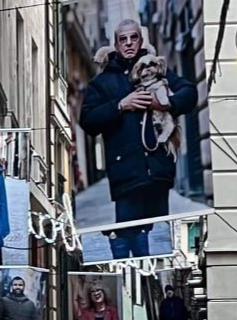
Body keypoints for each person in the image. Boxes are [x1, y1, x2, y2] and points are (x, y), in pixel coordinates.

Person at [79, 19, 197, 259]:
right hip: (126, 177)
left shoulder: (156, 68)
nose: (129, 43)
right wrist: (121, 104)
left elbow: (190, 92)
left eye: (134, 37)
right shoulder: (102, 83)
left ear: (141, 41)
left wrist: (165, 103)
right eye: (123, 39)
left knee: (158, 243)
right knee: (128, 243)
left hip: (158, 172)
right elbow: (88, 120)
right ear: (116, 44)